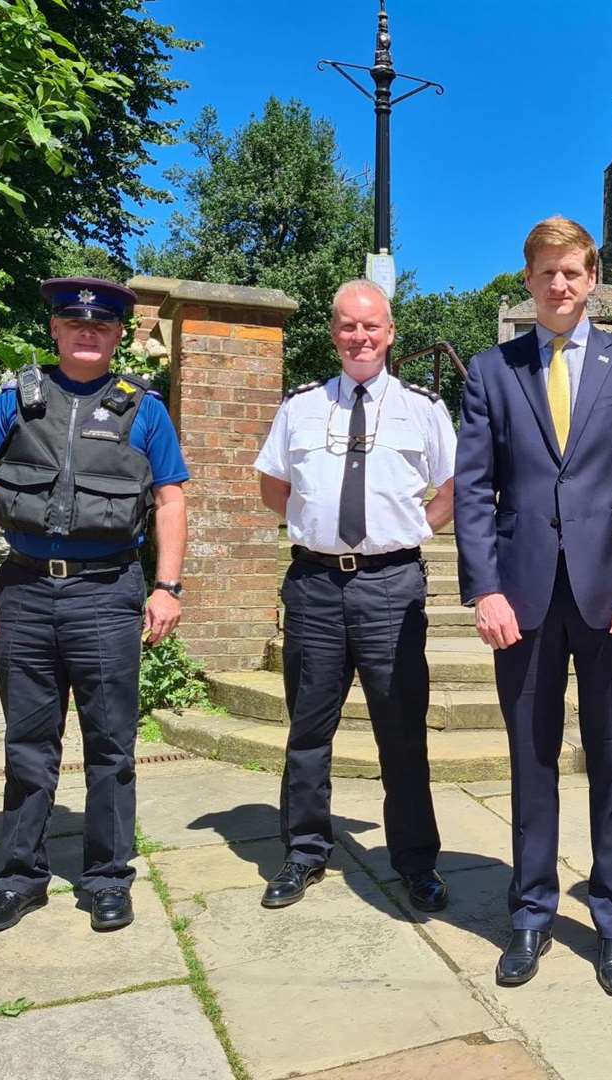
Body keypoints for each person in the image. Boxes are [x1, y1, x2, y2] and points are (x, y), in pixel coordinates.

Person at [454, 216, 612, 995]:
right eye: (546, 272)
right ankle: (530, 912)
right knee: (530, 758)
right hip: (521, 598)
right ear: (529, 279)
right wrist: (483, 588)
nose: (560, 285)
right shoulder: (492, 370)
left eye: (573, 272)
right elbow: (474, 491)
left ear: (592, 278)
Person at [0, 277, 189, 934]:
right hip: (26, 592)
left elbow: (171, 499)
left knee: (111, 744)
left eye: (102, 326)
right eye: (74, 322)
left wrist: (166, 587)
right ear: (55, 331)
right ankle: (21, 878)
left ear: (119, 336)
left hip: (106, 593)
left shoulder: (144, 410)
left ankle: (107, 877)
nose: (88, 332)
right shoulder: (15, 402)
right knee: (28, 742)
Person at [253, 280, 454, 914]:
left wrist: (408, 531)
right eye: (347, 326)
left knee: (402, 734)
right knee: (309, 730)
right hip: (314, 585)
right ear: (333, 333)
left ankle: (416, 862)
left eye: (371, 327)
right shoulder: (301, 407)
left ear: (390, 333)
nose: (360, 337)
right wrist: (321, 530)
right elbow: (272, 485)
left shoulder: (422, 407)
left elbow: (453, 485)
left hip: (392, 587)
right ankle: (304, 853)